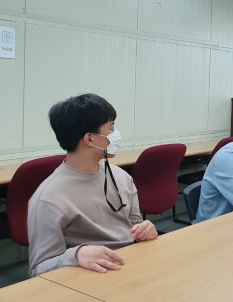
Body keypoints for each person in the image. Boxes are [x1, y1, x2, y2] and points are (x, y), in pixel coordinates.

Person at [28, 94, 158, 277]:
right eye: (111, 129)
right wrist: (76, 255)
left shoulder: (121, 177)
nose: (117, 135)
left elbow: (136, 227)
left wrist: (146, 230)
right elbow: (39, 269)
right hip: (91, 277)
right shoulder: (49, 198)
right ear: (90, 139)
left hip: (131, 267)